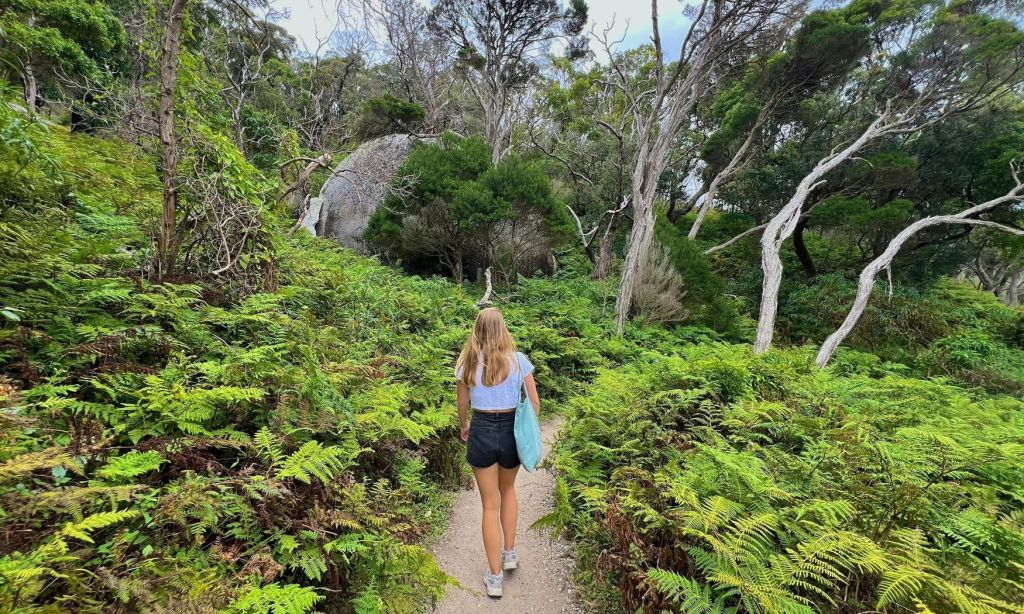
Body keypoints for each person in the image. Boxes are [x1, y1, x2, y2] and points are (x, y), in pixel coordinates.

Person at [455, 307, 540, 598]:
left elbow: (463, 406)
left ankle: (494, 579)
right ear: (502, 328)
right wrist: (525, 432)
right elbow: (534, 404)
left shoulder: (466, 363)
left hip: (481, 430)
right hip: (510, 432)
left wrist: (464, 427)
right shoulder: (518, 361)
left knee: (489, 504)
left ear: (477, 330)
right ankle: (510, 553)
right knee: (509, 491)